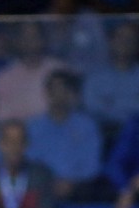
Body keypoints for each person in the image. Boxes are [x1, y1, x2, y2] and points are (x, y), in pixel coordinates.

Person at [26, 69, 103, 201]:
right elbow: (30, 162)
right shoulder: (33, 127)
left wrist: (71, 182)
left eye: (64, 90)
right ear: (47, 93)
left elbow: (91, 164)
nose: (59, 95)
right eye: (54, 90)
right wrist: (50, 182)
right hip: (42, 187)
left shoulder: (87, 126)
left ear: (72, 94)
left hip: (79, 187)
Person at [81, 22, 139, 130]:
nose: (124, 42)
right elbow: (91, 107)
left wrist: (110, 103)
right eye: (120, 37)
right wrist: (136, 101)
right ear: (111, 42)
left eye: (130, 39)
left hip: (138, 130)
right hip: (104, 131)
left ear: (136, 45)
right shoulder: (94, 76)